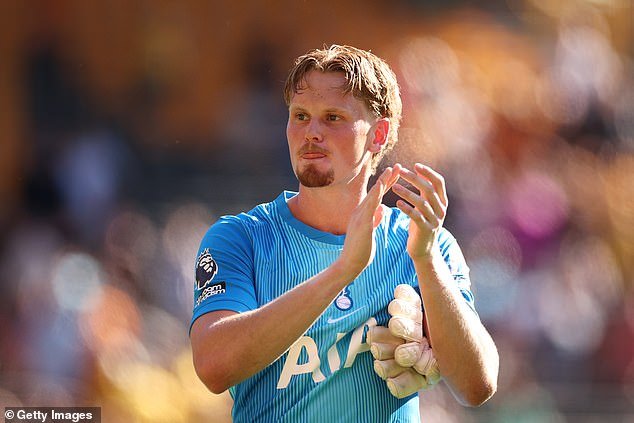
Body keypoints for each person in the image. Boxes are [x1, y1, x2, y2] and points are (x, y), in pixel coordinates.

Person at [190, 44, 499, 422]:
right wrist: (342, 271)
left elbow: (477, 386)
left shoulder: (424, 243)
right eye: (300, 116)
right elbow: (213, 365)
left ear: (378, 134)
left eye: (333, 118)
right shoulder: (240, 238)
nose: (311, 132)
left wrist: (426, 262)